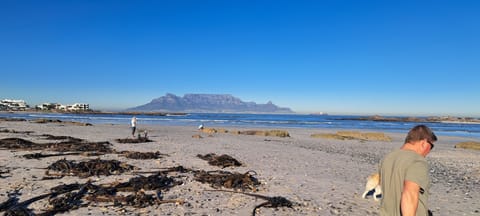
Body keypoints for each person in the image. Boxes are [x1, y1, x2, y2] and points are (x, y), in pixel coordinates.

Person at [379, 125, 437, 216]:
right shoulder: (417, 161)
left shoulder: (387, 158)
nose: (430, 150)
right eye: (431, 146)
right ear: (424, 142)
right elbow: (409, 195)